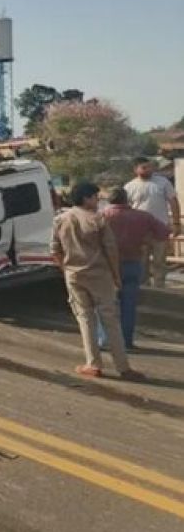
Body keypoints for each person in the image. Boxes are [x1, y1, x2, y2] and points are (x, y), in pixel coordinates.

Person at [51, 182, 143, 381]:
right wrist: (116, 276)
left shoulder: (61, 219)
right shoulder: (98, 219)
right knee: (110, 320)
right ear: (86, 198)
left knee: (85, 320)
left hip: (74, 275)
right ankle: (123, 367)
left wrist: (65, 269)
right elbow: (111, 250)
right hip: (99, 275)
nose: (97, 200)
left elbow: (55, 250)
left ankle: (93, 364)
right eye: (95, 197)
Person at [98, 187, 170, 350]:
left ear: (110, 200)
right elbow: (164, 232)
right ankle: (127, 341)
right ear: (127, 200)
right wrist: (146, 240)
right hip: (133, 262)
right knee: (129, 306)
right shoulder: (143, 216)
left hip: (107, 265)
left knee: (105, 304)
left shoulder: (102, 216)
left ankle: (105, 340)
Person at [124, 157, 180, 288]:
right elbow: (125, 209)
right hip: (139, 231)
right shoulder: (129, 187)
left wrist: (176, 223)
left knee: (160, 261)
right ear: (136, 169)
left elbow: (173, 202)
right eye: (144, 167)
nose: (148, 170)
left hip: (160, 228)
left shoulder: (163, 182)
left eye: (150, 167)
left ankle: (159, 288)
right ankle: (144, 288)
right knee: (142, 261)